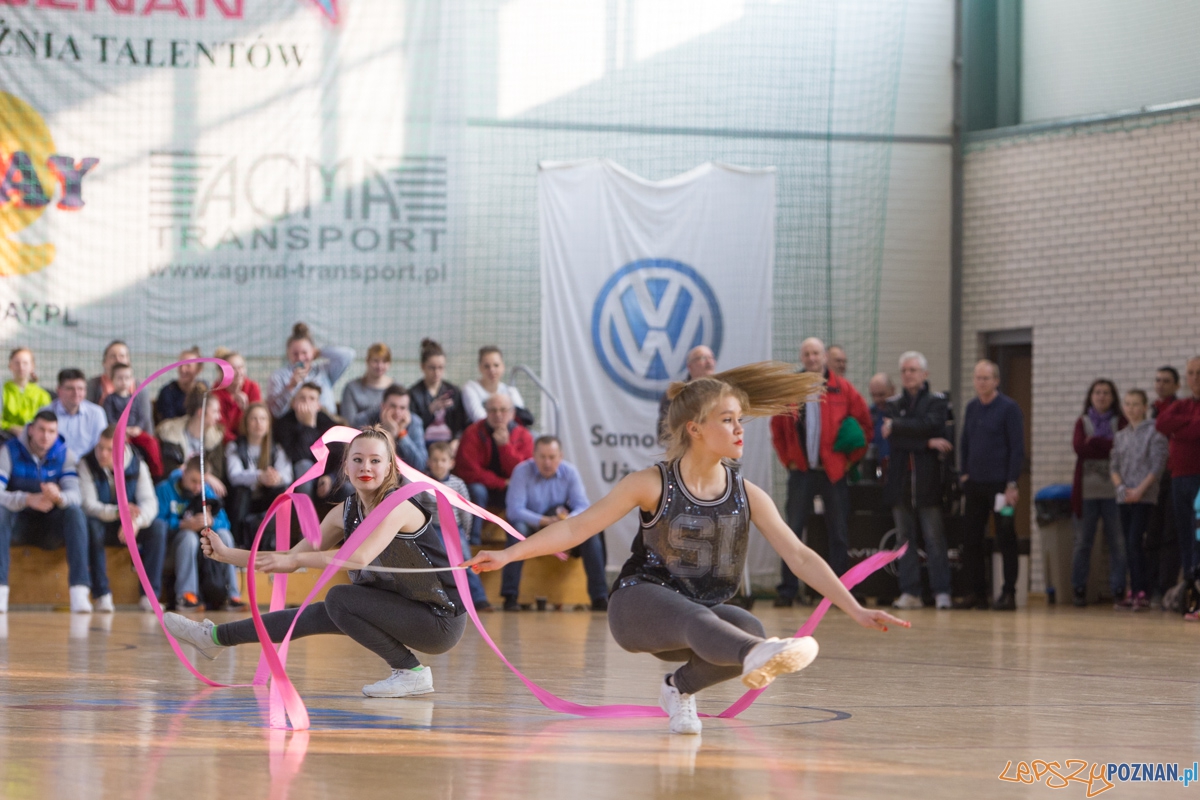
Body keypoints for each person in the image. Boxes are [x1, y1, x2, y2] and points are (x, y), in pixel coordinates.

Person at [464, 363, 908, 735]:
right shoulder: (652, 483)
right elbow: (576, 528)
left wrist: (856, 610)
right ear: (695, 429)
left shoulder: (747, 493)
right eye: (729, 419)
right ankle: (757, 653)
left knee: (745, 623)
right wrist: (507, 554)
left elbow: (801, 555)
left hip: (700, 617)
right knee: (728, 633)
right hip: (638, 607)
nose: (739, 429)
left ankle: (679, 689)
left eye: (741, 420)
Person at [163, 428, 469, 698]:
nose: (366, 467)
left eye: (375, 461)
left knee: (339, 598)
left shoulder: (397, 506)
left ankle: (410, 672)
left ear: (389, 467)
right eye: (358, 459)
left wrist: (300, 558)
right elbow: (288, 560)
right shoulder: (344, 512)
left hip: (439, 619)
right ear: (346, 465)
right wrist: (226, 553)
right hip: (398, 605)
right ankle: (215, 638)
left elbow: (357, 557)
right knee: (312, 616)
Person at [769, 337, 872, 606]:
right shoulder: (791, 389)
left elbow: (865, 426)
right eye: (807, 354)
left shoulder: (843, 389)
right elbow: (777, 429)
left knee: (838, 531)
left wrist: (850, 461)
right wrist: (787, 460)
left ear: (824, 356)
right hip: (801, 472)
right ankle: (788, 591)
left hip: (833, 472)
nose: (812, 358)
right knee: (791, 532)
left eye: (816, 353)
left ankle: (840, 592)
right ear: (802, 358)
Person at [503, 436, 609, 612]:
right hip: (533, 525)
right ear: (533, 456)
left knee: (592, 532)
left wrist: (567, 522)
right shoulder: (521, 471)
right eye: (542, 457)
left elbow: (582, 505)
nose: (547, 462)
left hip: (561, 525)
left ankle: (599, 597)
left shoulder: (570, 471)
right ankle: (510, 596)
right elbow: (514, 510)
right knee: (517, 529)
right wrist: (545, 521)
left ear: (560, 456)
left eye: (552, 457)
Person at [0, 410, 92, 613]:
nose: (46, 436)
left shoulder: (64, 454)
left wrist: (59, 497)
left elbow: (76, 495)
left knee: (75, 512)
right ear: (31, 430)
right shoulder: (9, 450)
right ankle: (0, 592)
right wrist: (27, 499)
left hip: (50, 528)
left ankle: (80, 591)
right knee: (1, 512)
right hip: (17, 525)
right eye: (41, 429)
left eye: (51, 431)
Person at [883, 352, 953, 611]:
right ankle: (910, 591)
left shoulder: (937, 402)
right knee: (904, 540)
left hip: (928, 483)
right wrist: (926, 442)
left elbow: (932, 424)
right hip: (900, 483)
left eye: (913, 370)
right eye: (904, 370)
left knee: (934, 539)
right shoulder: (893, 403)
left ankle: (941, 591)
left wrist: (900, 427)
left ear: (924, 374)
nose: (908, 374)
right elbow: (895, 441)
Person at [956, 360, 1024, 610]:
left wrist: (1011, 483)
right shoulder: (972, 407)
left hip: (1001, 487)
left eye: (986, 378)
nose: (981, 382)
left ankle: (1009, 593)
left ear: (996, 381)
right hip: (975, 485)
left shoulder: (1009, 408)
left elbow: (1017, 448)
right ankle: (977, 592)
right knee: (972, 538)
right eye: (977, 378)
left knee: (1006, 536)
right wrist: (964, 473)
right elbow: (965, 442)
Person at [78, 426, 167, 613]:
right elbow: (89, 505)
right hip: (103, 522)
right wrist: (120, 513)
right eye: (100, 447)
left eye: (109, 449)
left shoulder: (138, 464)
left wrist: (134, 522)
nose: (102, 453)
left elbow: (150, 503)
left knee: (158, 528)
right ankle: (102, 595)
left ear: (122, 448)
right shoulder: (86, 463)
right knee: (91, 526)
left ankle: (148, 596)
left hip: (130, 525)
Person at [1070, 379, 1128, 607]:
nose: (1101, 396)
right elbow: (1079, 448)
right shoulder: (1082, 422)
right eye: (1097, 392)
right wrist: (1106, 444)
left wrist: (1094, 442)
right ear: (1091, 396)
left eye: (1106, 393)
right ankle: (1079, 588)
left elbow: (1121, 448)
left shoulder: (1121, 421)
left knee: (1118, 543)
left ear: (1113, 397)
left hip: (1114, 492)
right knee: (1083, 543)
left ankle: (1118, 590)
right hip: (1086, 493)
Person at [155, 456, 241, 611]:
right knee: (188, 537)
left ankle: (232, 595)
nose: (196, 487)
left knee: (225, 535)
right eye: (193, 481)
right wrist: (182, 524)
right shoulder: (165, 489)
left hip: (202, 548)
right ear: (184, 472)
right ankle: (186, 595)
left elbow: (225, 523)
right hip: (174, 544)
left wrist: (211, 521)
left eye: (200, 482)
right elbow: (157, 523)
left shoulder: (206, 491)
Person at [1110, 389, 1168, 611]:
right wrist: (1122, 488)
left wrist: (1140, 490)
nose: (1131, 408)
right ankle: (1132, 591)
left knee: (1136, 543)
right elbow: (1114, 466)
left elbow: (1157, 466)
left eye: (1136, 404)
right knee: (1127, 544)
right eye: (1127, 404)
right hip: (1124, 497)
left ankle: (1143, 591)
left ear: (1145, 407)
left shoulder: (1155, 433)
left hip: (1145, 497)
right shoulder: (1121, 435)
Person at [417, 440, 491, 612]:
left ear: (451, 463)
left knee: (466, 560)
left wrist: (464, 532)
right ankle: (439, 599)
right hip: (431, 528)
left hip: (454, 529)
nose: (438, 464)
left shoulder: (458, 484)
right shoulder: (423, 482)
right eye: (434, 460)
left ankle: (479, 599)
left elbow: (465, 511)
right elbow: (418, 507)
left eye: (443, 460)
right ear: (429, 462)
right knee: (436, 561)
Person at [454, 392, 533, 545]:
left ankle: (516, 538)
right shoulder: (472, 432)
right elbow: (469, 471)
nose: (498, 415)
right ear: (486, 412)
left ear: (512, 413)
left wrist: (505, 447)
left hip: (511, 490)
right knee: (477, 490)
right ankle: (473, 540)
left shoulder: (524, 435)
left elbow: (524, 472)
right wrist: (501, 482)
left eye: (503, 410)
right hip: (483, 489)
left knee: (521, 491)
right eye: (493, 410)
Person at [1155, 356, 1200, 589]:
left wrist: (1179, 429)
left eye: (1199, 372)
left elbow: (1194, 431)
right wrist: (1188, 422)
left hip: (1198, 480)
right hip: (1179, 478)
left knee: (1199, 535)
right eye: (1191, 373)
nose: (1195, 378)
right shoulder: (1182, 405)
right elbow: (1162, 424)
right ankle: (1190, 585)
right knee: (1184, 535)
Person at [225, 403, 292, 548]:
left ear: (268, 424)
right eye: (253, 419)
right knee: (241, 491)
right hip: (243, 501)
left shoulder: (276, 448)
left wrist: (276, 478)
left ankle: (277, 544)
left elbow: (287, 474)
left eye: (263, 419)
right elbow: (234, 476)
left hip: (266, 497)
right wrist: (260, 476)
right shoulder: (235, 446)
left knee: (283, 491)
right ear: (246, 423)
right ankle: (238, 544)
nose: (258, 423)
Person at [267, 322, 354, 419]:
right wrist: (290, 387)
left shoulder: (324, 371)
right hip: (295, 426)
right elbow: (275, 411)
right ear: (288, 354)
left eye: (304, 352)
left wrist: (320, 352)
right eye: (295, 354)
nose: (300, 358)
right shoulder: (279, 376)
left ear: (313, 351)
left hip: (326, 422)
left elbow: (348, 355)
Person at [1147, 365, 1181, 602]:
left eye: (1166, 381)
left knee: (1171, 533)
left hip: (1174, 475)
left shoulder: (1179, 409)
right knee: (1152, 533)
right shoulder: (1152, 411)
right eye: (1158, 380)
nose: (1161, 384)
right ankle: (1151, 587)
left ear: (1177, 385)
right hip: (1152, 478)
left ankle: (1166, 586)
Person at [274, 383, 342, 502]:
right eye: (302, 398)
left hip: (326, 477)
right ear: (294, 403)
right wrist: (308, 426)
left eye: (312, 399)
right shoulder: (283, 424)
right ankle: (305, 517)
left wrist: (330, 478)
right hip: (296, 479)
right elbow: (298, 456)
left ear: (318, 405)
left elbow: (339, 455)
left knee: (347, 486)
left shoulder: (326, 422)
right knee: (304, 465)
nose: (307, 402)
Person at [156, 383, 227, 495]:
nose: (219, 417)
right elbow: (170, 469)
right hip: (177, 488)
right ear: (200, 413)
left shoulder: (215, 438)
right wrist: (206, 477)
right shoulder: (172, 434)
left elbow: (217, 472)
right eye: (215, 412)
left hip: (201, 489)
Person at [103, 362, 164, 479]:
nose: (124, 381)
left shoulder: (134, 398)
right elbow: (109, 419)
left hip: (135, 432)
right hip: (119, 433)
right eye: (119, 378)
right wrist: (122, 430)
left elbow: (142, 417)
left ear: (132, 380)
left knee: (152, 443)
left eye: (127, 378)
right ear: (112, 380)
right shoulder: (109, 399)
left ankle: (157, 474)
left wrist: (138, 428)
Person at [408, 338, 468, 448]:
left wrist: (457, 440)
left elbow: (461, 422)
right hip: (423, 445)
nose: (437, 372)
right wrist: (430, 411)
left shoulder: (453, 391)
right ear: (422, 367)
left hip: (448, 445)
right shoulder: (414, 393)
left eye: (440, 368)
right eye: (432, 368)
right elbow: (412, 427)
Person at [41, 368, 108, 459]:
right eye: (70, 389)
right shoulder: (45, 413)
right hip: (54, 464)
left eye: (80, 389)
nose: (76, 393)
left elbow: (101, 445)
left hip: (88, 465)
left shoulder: (96, 413)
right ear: (58, 390)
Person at [87, 341, 152, 430]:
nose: (118, 360)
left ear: (128, 362)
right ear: (104, 362)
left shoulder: (140, 387)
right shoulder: (93, 384)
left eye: (122, 356)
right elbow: (87, 415)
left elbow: (146, 419)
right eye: (113, 356)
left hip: (135, 434)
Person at [657, 346, 716, 442]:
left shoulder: (723, 393)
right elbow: (663, 432)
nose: (709, 362)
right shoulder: (676, 394)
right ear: (690, 366)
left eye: (711, 357)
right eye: (703, 358)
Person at [462, 346, 528, 424]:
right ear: (480, 368)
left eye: (496, 365)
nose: (492, 370)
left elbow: (522, 417)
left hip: (509, 431)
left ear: (503, 367)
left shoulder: (510, 391)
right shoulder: (471, 388)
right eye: (487, 366)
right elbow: (478, 417)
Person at [370, 385, 427, 472]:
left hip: (404, 476)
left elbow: (420, 464)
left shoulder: (415, 422)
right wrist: (388, 433)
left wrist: (401, 433)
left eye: (402, 408)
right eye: (393, 406)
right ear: (382, 406)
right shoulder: (365, 419)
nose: (397, 412)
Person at [211, 348, 262, 444]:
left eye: (241, 367)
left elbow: (258, 421)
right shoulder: (216, 393)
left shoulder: (252, 388)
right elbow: (220, 428)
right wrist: (235, 443)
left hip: (249, 440)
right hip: (225, 443)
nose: (239, 372)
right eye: (233, 369)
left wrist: (246, 410)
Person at [340, 343, 395, 427]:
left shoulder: (396, 388)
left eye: (384, 361)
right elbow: (349, 422)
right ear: (367, 361)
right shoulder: (352, 388)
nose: (380, 366)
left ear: (389, 364)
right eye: (376, 361)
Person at [2, 348, 51, 438]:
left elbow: (47, 421)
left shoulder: (42, 395)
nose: (21, 367)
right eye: (17, 363)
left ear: (32, 366)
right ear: (10, 366)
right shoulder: (3, 391)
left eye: (25, 363)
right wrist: (10, 427)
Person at [154, 347, 203, 424]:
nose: (183, 369)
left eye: (188, 366)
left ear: (198, 369)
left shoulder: (203, 391)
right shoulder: (167, 392)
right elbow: (167, 423)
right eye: (180, 364)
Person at [867, 372, 894, 468]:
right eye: (873, 395)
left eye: (881, 395)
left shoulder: (901, 414)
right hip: (873, 468)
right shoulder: (869, 414)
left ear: (892, 390)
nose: (877, 399)